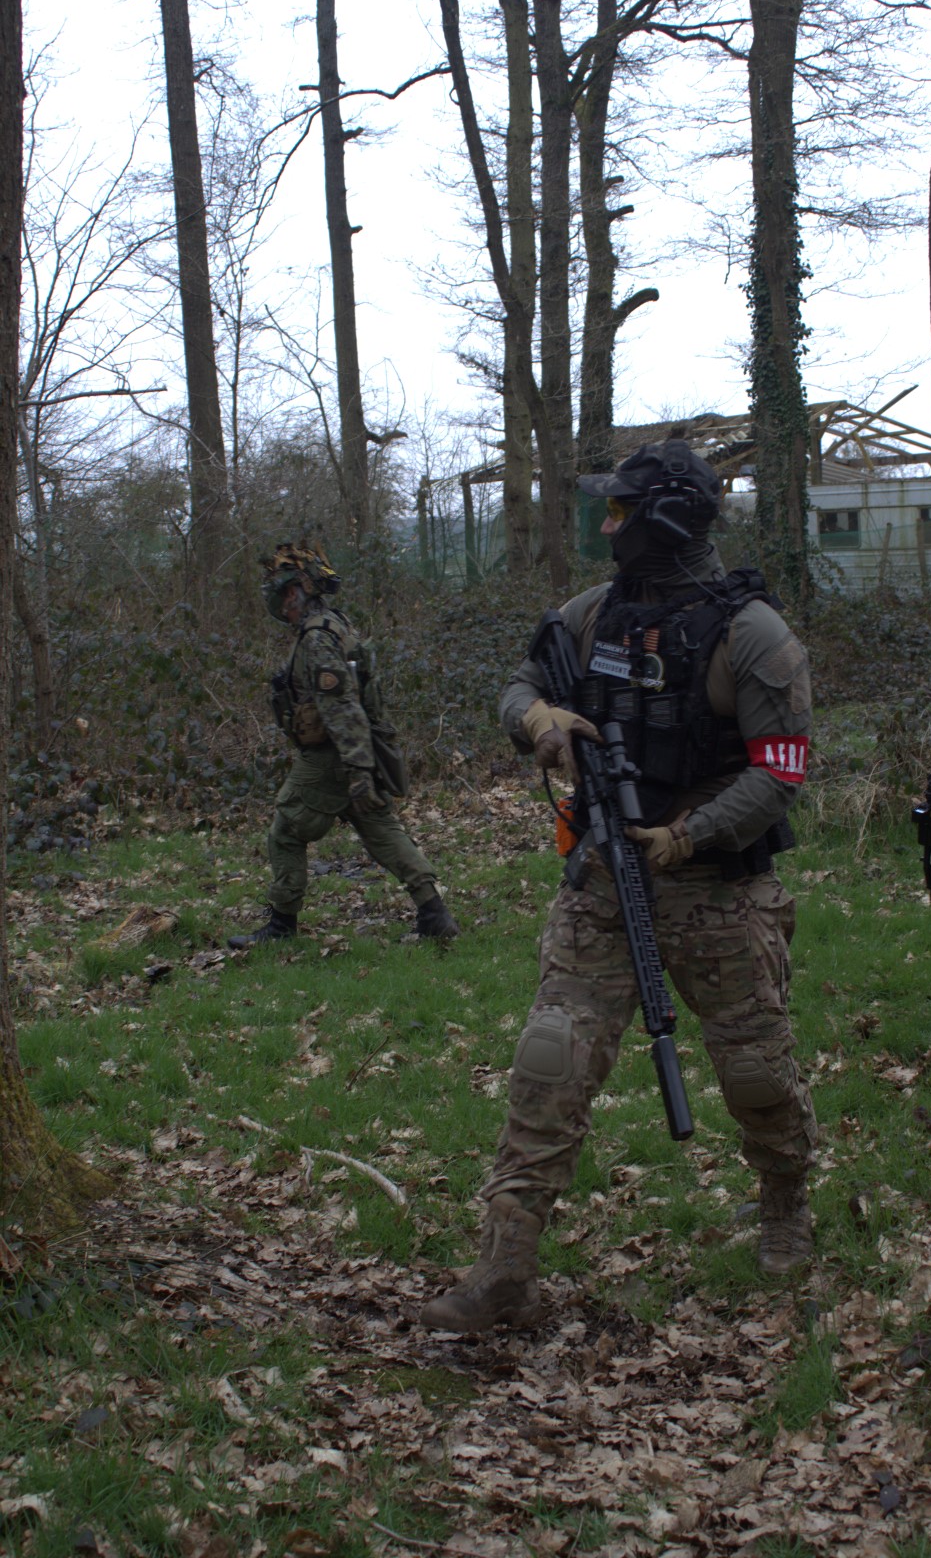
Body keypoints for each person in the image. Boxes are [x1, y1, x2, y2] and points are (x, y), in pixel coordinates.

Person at [420, 439, 817, 1334]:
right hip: (602, 879)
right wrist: (540, 719)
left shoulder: (753, 635)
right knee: (549, 1061)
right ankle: (506, 1268)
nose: (606, 528)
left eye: (620, 512)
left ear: (665, 520)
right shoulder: (593, 614)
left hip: (717, 889)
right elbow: (519, 683)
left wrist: (689, 835)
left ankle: (784, 1201)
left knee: (754, 1071)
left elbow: (781, 772)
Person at [228, 541, 458, 949]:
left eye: (284, 595)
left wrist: (357, 770)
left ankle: (281, 925)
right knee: (380, 828)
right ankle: (434, 913)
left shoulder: (317, 638)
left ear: (296, 592)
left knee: (285, 831)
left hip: (331, 757)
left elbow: (341, 707)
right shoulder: (335, 624)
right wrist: (360, 769)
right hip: (349, 753)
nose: (282, 607)